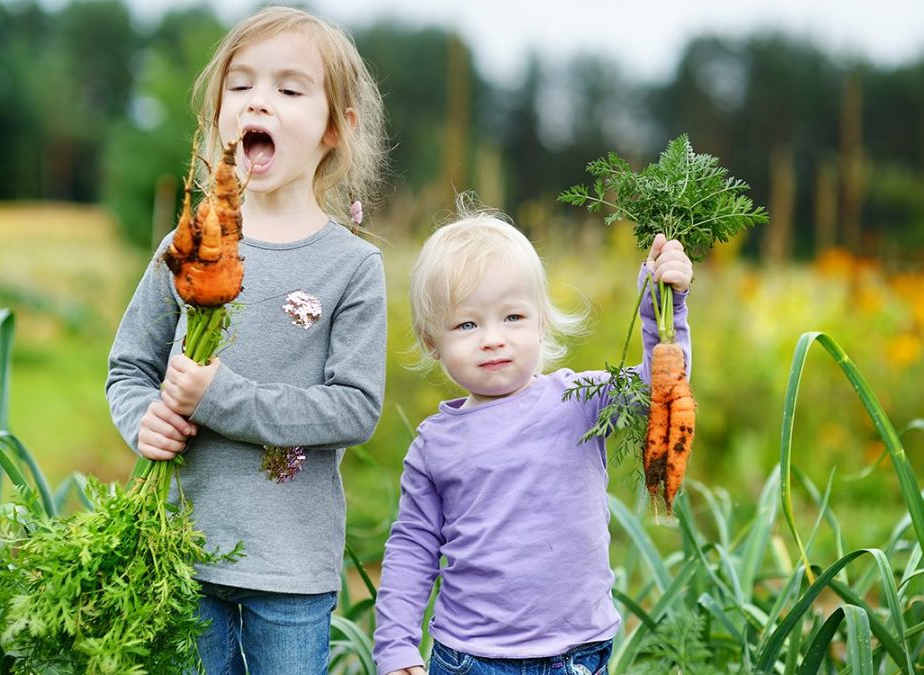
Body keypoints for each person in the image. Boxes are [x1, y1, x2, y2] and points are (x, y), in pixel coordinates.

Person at [105, 6, 388, 673]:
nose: (260, 99)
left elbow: (354, 407)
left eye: (290, 89)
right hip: (180, 552)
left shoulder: (350, 267)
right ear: (217, 115)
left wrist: (219, 397)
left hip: (290, 571)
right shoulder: (187, 244)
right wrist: (141, 420)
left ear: (333, 129)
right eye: (241, 86)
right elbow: (129, 368)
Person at [372, 205, 693, 675]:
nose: (492, 339)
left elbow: (659, 388)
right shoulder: (435, 443)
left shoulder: (577, 401)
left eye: (513, 317)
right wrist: (396, 646)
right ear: (430, 341)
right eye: (467, 324)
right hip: (469, 657)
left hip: (576, 652)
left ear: (541, 321)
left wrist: (666, 306)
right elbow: (413, 547)